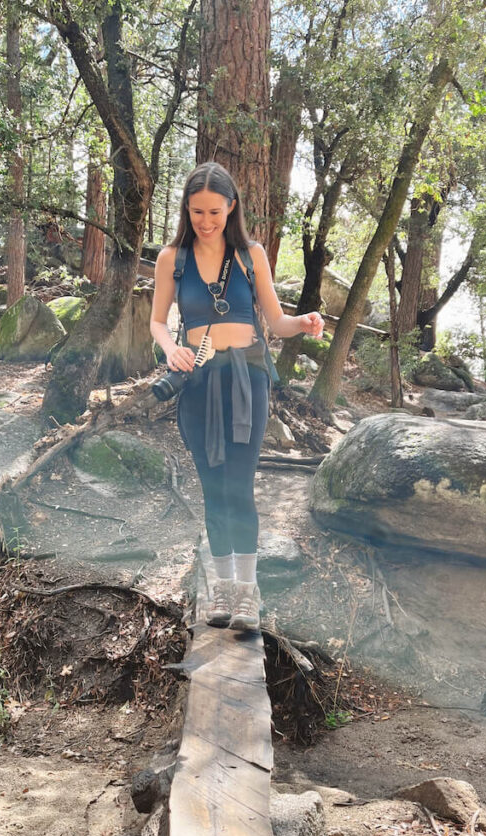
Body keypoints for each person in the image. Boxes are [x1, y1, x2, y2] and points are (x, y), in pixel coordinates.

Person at [150, 162, 324, 632]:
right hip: (198, 381)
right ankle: (222, 588)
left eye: (214, 212)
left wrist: (303, 322)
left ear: (231, 207)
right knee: (212, 488)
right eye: (196, 211)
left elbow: (276, 321)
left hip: (247, 378)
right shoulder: (174, 258)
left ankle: (248, 593)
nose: (205, 221)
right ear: (187, 210)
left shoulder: (251, 255)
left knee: (240, 486)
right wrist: (170, 349)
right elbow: (158, 322)